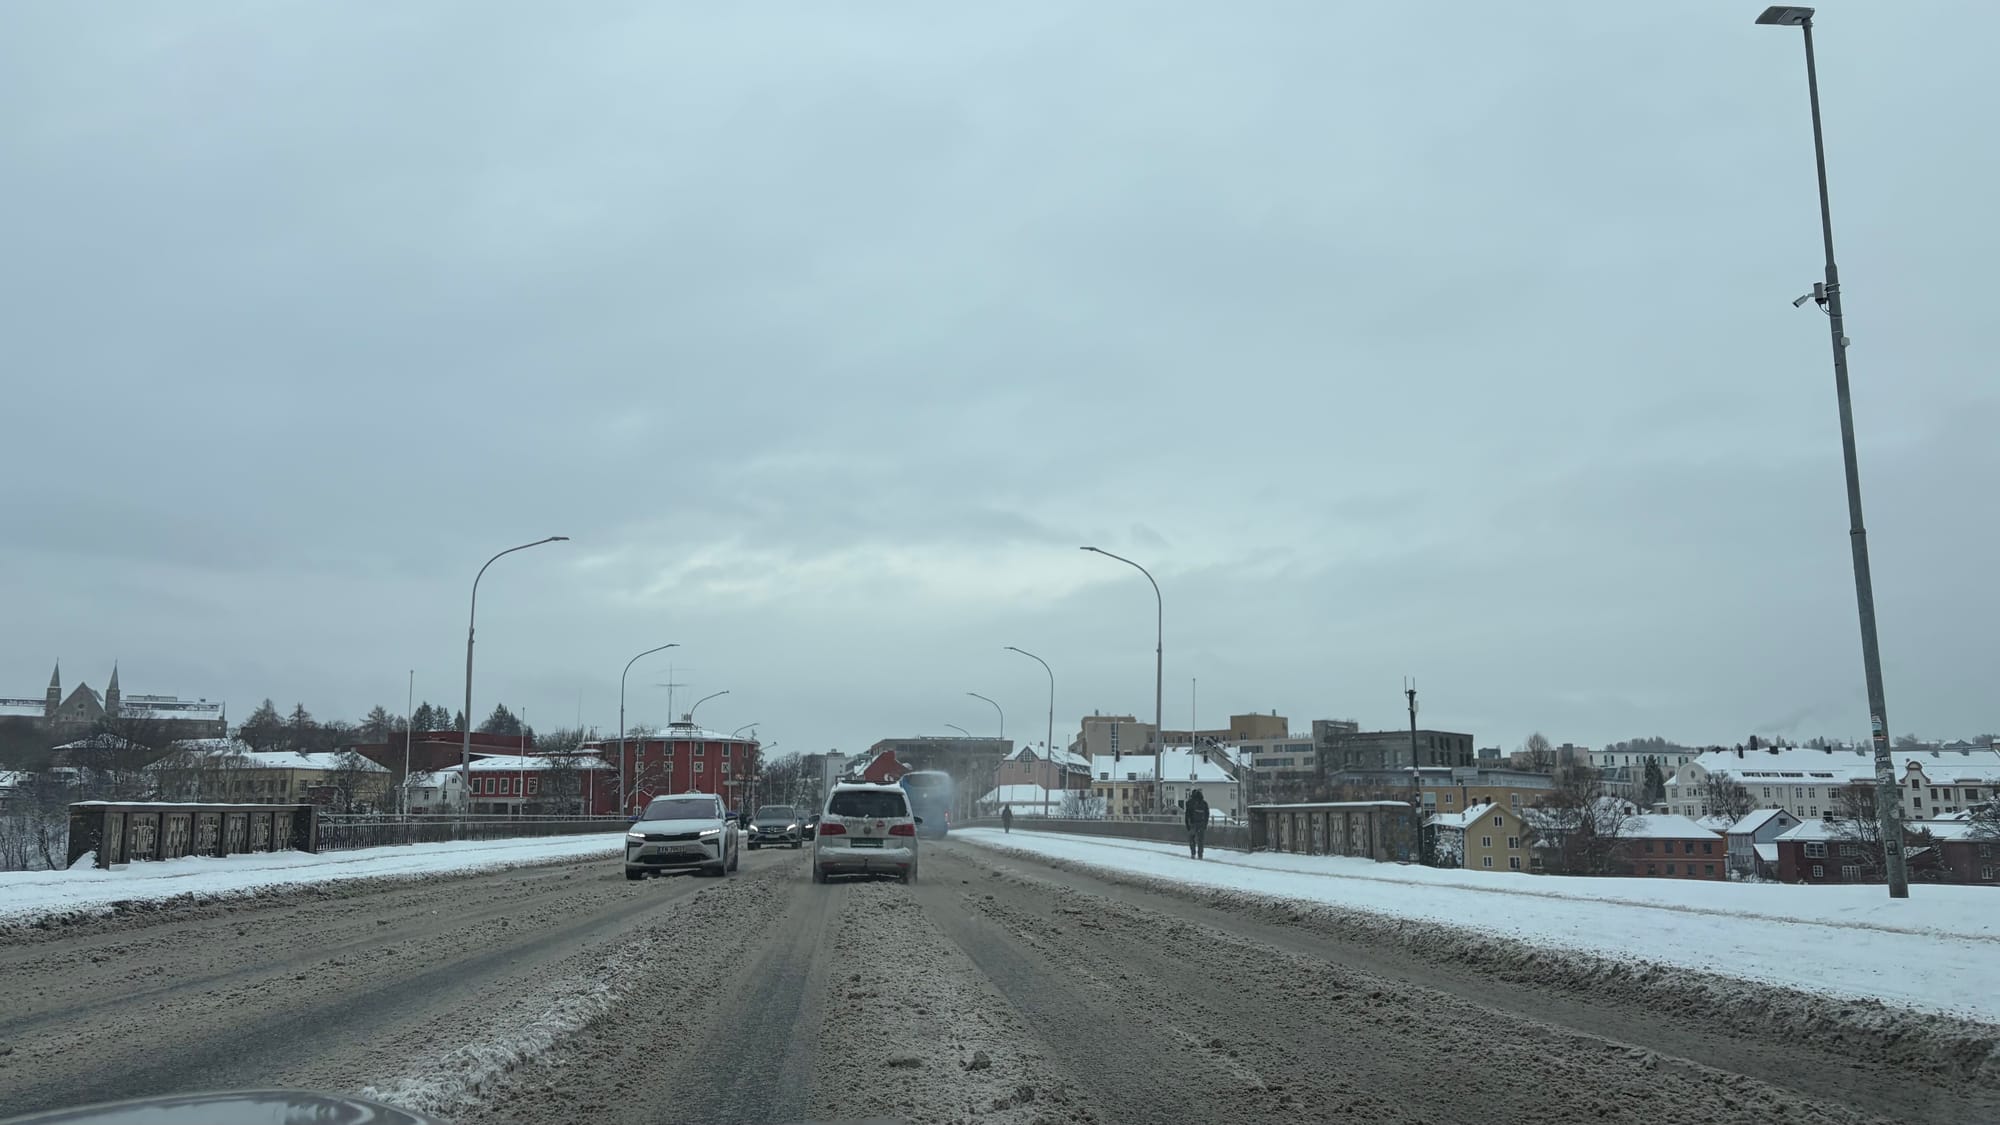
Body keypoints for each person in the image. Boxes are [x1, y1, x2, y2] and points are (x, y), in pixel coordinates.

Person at [1184, 789, 1210, 859]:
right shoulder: (1204, 803)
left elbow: (1187, 815)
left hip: (1193, 824)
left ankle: (1193, 853)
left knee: (1191, 838)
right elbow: (1207, 814)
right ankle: (1200, 854)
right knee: (1200, 840)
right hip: (1201, 824)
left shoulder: (1190, 802)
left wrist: (1187, 825)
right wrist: (1205, 824)